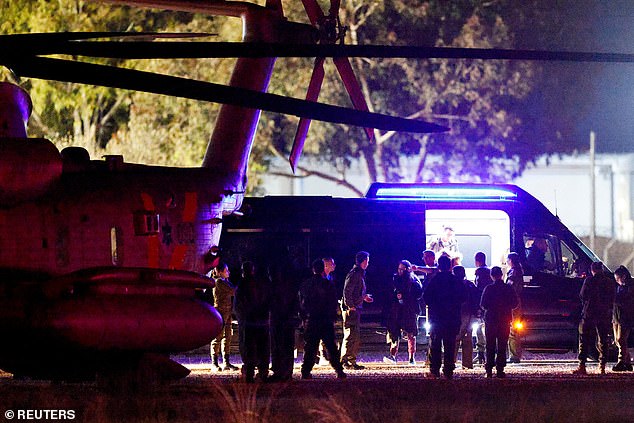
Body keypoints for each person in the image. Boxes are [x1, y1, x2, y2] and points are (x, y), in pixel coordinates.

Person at [299, 259, 347, 379]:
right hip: (325, 319)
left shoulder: (306, 284)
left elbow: (302, 302)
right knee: (331, 346)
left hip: (312, 318)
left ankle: (306, 371)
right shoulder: (327, 284)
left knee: (310, 346)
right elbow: (332, 301)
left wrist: (304, 316)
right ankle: (339, 370)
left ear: (313, 269)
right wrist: (333, 315)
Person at [423, 255, 467, 379]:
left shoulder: (435, 280)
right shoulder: (456, 281)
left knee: (435, 344)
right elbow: (464, 297)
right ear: (450, 266)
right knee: (450, 344)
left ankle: (435, 370)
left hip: (437, 318)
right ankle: (448, 371)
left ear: (439, 266)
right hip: (452, 317)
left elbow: (426, 297)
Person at [573, 261, 615, 375]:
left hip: (589, 312)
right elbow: (612, 298)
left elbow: (582, 295)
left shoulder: (589, 280)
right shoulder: (609, 282)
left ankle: (582, 365)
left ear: (592, 270)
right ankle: (602, 366)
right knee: (603, 340)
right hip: (603, 313)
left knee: (584, 339)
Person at [235, 261, 271, 383]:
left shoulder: (241, 285)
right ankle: (263, 373)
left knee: (249, 348)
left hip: (249, 322)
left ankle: (250, 374)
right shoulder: (261, 284)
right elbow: (266, 302)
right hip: (261, 322)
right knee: (263, 349)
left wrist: (242, 319)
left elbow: (239, 305)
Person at [480, 266, 519, 378]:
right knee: (502, 344)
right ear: (502, 275)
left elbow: (483, 304)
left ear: (492, 276)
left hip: (491, 319)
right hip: (504, 318)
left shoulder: (488, 288)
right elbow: (515, 303)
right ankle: (500, 369)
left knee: (490, 344)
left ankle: (489, 369)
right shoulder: (508, 288)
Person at [384, 260, 423, 365]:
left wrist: (406, 296)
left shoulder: (414, 280)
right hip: (397, 309)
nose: (400, 271)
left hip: (410, 309)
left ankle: (411, 358)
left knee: (410, 333)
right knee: (394, 333)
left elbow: (418, 294)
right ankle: (392, 356)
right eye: (399, 269)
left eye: (403, 269)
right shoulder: (395, 279)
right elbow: (390, 293)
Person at [340, 251, 373, 370]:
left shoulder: (358, 274)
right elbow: (347, 291)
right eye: (367, 261)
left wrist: (363, 297)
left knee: (354, 335)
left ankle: (350, 360)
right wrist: (350, 306)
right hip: (352, 309)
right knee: (351, 335)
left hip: (356, 307)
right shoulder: (354, 274)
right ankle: (346, 360)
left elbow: (353, 291)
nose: (368, 264)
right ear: (363, 261)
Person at [205, 261, 238, 372]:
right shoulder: (219, 282)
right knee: (217, 337)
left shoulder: (225, 281)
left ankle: (226, 362)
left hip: (227, 312)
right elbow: (233, 291)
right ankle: (214, 363)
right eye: (226, 270)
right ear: (219, 272)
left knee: (227, 337)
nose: (228, 272)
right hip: (220, 312)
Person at [453, 265, 480, 370]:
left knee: (455, 338)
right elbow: (476, 298)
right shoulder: (470, 285)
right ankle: (467, 363)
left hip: (457, 314)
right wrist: (476, 311)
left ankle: (451, 362)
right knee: (468, 338)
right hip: (469, 314)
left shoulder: (453, 285)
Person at [612, 265, 634, 371]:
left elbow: (628, 301)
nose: (616, 281)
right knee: (618, 340)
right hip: (617, 316)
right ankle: (628, 362)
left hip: (624, 317)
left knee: (621, 339)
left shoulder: (630, 287)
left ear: (623, 277)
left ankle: (621, 361)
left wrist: (616, 300)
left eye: (617, 278)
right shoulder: (620, 287)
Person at [473, 251, 493, 364]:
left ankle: (480, 353)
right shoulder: (489, 271)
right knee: (488, 328)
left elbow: (478, 288)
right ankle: (489, 354)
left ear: (477, 260)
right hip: (490, 304)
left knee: (479, 328)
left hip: (481, 304)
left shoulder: (479, 271)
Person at [506, 252, 524, 363]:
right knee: (515, 329)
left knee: (512, 329)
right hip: (517, 302)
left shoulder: (513, 272)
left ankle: (514, 355)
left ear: (511, 260)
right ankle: (515, 354)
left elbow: (509, 287)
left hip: (512, 303)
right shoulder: (519, 271)